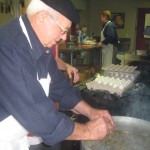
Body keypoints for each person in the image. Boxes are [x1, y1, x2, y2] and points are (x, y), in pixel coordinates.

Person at [0, 0, 115, 150]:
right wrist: (89, 131)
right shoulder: (9, 47)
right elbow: (37, 115)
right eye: (63, 30)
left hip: (16, 137)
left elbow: (60, 87)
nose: (64, 38)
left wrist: (91, 112)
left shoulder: (40, 43)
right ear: (42, 18)